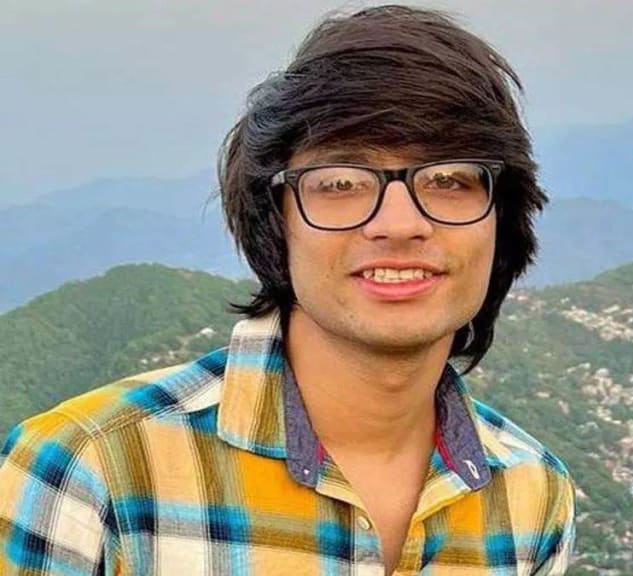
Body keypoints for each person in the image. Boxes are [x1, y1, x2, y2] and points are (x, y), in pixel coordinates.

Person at [0, 5, 575, 574]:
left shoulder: (532, 496)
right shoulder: (88, 474)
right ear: (276, 222)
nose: (400, 223)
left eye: (449, 179)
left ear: (502, 221)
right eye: (340, 183)